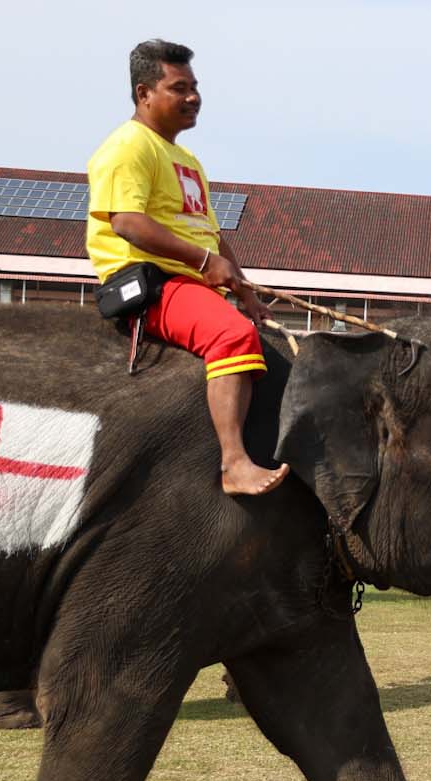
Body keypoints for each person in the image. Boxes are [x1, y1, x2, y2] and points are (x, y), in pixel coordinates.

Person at [86, 39, 286, 496]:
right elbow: (128, 223)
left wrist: (249, 296)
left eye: (194, 86)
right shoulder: (128, 146)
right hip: (151, 281)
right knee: (233, 336)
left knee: (256, 331)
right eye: (179, 88)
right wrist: (203, 262)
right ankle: (234, 463)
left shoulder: (187, 160)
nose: (193, 97)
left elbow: (212, 235)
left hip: (191, 284)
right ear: (144, 94)